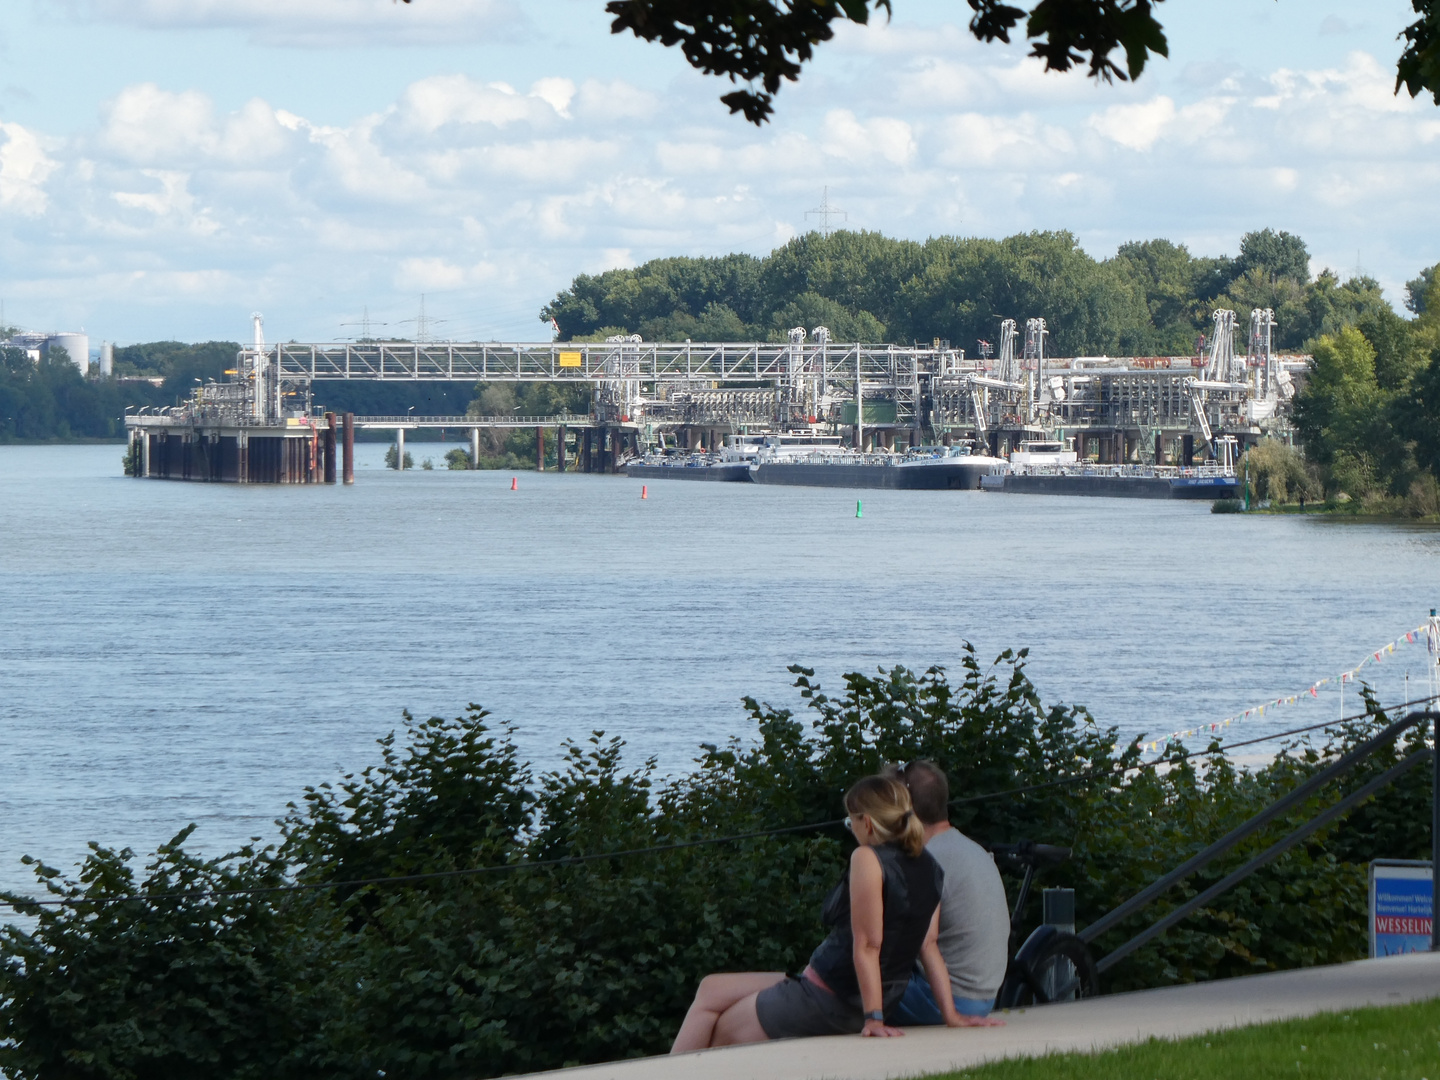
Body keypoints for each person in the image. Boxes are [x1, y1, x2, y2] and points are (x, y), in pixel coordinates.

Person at [670, 775, 985, 1052]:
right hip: (842, 991)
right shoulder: (931, 867)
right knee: (711, 988)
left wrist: (873, 1019)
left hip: (828, 996)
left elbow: (867, 945)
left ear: (868, 823)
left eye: (851, 823)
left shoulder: (867, 858)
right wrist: (951, 1015)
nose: (852, 831)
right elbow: (929, 946)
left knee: (725, 1028)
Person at [888, 760, 1011, 1024]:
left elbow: (922, 942)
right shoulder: (973, 849)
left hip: (944, 999)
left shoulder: (928, 860)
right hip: (984, 998)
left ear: (904, 811)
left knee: (844, 980)